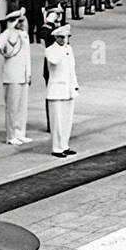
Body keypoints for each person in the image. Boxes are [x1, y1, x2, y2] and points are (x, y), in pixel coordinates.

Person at [0, 9, 32, 145]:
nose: (22, 23)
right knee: (12, 107)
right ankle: (11, 135)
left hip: (23, 75)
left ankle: (20, 132)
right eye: (19, 21)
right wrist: (10, 31)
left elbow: (27, 56)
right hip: (12, 75)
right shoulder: (8, 33)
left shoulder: (24, 35)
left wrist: (28, 74)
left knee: (22, 106)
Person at [44, 24, 79, 157]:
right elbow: (55, 61)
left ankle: (65, 145)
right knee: (57, 122)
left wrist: (75, 85)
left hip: (68, 89)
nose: (64, 40)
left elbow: (72, 69)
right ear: (55, 37)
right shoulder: (51, 50)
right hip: (57, 90)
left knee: (67, 120)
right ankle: (57, 148)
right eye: (61, 37)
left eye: (66, 37)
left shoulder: (69, 49)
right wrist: (62, 49)